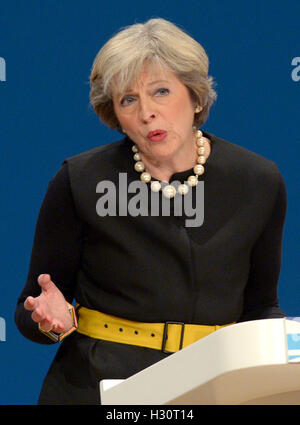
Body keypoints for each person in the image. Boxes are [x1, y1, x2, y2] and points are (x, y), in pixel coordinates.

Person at [15, 18, 287, 405]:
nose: (147, 112)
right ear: (115, 113)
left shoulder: (258, 180)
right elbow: (31, 308)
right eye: (128, 99)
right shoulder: (80, 180)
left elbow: (261, 308)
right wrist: (49, 323)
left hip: (213, 387)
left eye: (161, 91)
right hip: (98, 386)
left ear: (194, 96)